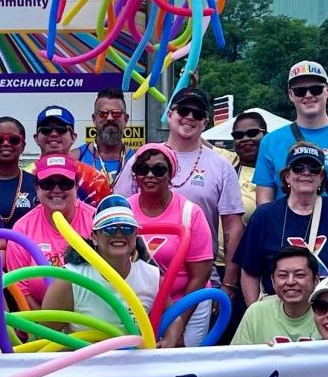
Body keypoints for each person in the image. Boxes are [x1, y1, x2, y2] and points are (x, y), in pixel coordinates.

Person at [115, 87, 245, 308]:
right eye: (183, 110)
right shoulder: (142, 160)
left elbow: (233, 227)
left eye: (198, 114)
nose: (189, 117)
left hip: (199, 275)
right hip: (139, 276)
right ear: (170, 113)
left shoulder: (221, 166)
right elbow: (117, 211)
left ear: (206, 122)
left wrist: (229, 283)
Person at [234, 142, 328, 304]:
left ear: (321, 177)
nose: (306, 173)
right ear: (287, 176)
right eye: (298, 168)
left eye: (314, 168)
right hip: (279, 310)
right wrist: (255, 313)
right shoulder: (265, 216)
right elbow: (249, 271)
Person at [128, 144, 215, 347]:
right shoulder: (124, 209)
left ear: (171, 175)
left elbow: (199, 276)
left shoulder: (190, 213)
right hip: (141, 303)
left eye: (158, 170)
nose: (149, 175)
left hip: (185, 302)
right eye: (142, 169)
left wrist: (178, 325)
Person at [254, 61, 328, 204]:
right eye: (300, 91)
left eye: (316, 89)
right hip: (284, 224)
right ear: (291, 95)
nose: (308, 95)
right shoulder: (270, 141)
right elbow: (264, 201)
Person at [43, 196, 161, 334]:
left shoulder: (152, 277)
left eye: (127, 228)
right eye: (109, 229)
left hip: (134, 354)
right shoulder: (71, 281)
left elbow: (173, 318)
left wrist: (170, 336)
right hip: (82, 354)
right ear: (94, 237)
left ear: (136, 235)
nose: (118, 234)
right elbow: (45, 338)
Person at [6, 154, 97, 305]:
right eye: (48, 183)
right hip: (40, 321)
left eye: (65, 183)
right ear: (37, 187)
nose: (56, 190)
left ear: (76, 186)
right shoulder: (22, 229)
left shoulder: (95, 221)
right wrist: (46, 326)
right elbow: (21, 291)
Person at [231, 246, 320, 345]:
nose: (290, 282)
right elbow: (237, 358)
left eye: (299, 275)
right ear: (273, 281)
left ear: (315, 280)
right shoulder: (256, 313)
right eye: (282, 275)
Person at [31, 105, 113, 203]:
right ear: (36, 138)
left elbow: (106, 217)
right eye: (46, 129)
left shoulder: (95, 179)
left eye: (61, 129)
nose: (53, 134)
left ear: (73, 137)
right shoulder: (25, 176)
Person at [76, 88, 136, 190]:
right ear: (94, 119)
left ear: (125, 119)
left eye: (116, 113)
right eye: (103, 114)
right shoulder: (76, 158)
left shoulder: (137, 160)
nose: (110, 118)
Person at [231, 111, 267, 221]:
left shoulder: (276, 172)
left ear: (266, 135)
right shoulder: (228, 160)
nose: (245, 139)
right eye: (238, 135)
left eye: (252, 133)